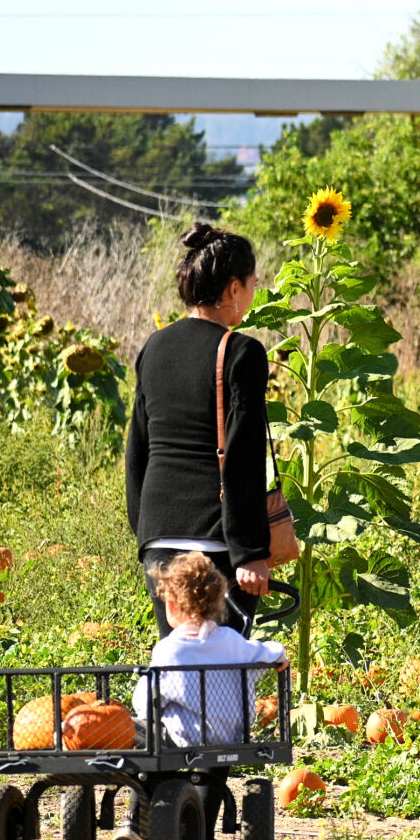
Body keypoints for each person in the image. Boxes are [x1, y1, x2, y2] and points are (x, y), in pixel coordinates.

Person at [125, 223, 273, 638]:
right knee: (220, 675)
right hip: (216, 540)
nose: (252, 293)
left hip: (160, 538)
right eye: (252, 284)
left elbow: (138, 448)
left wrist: (146, 532)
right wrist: (249, 553)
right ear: (232, 290)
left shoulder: (154, 348)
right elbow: (243, 455)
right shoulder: (242, 352)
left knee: (179, 665)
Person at [117, 552, 288, 840]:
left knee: (141, 739)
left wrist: (143, 714)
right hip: (226, 733)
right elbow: (269, 652)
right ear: (220, 602)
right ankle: (200, 835)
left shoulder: (170, 650)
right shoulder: (233, 642)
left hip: (181, 737)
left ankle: (137, 819)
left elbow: (145, 701)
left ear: (170, 605)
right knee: (216, 763)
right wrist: (279, 656)